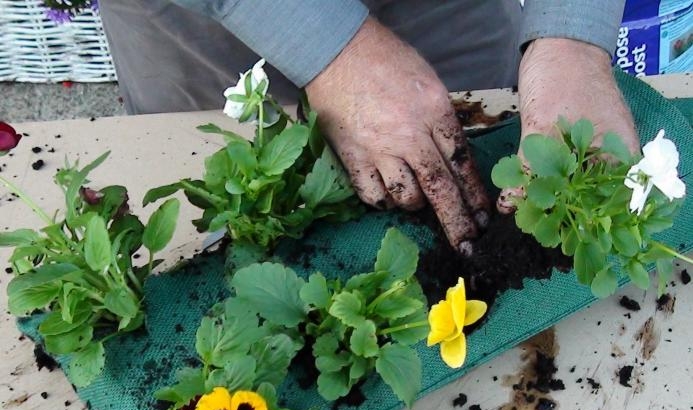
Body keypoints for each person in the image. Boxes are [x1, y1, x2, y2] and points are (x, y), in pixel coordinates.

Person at [98, 0, 640, 253]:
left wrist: (571, 38)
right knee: (237, 219)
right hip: (213, 27)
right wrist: (328, 46)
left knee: (475, 144)